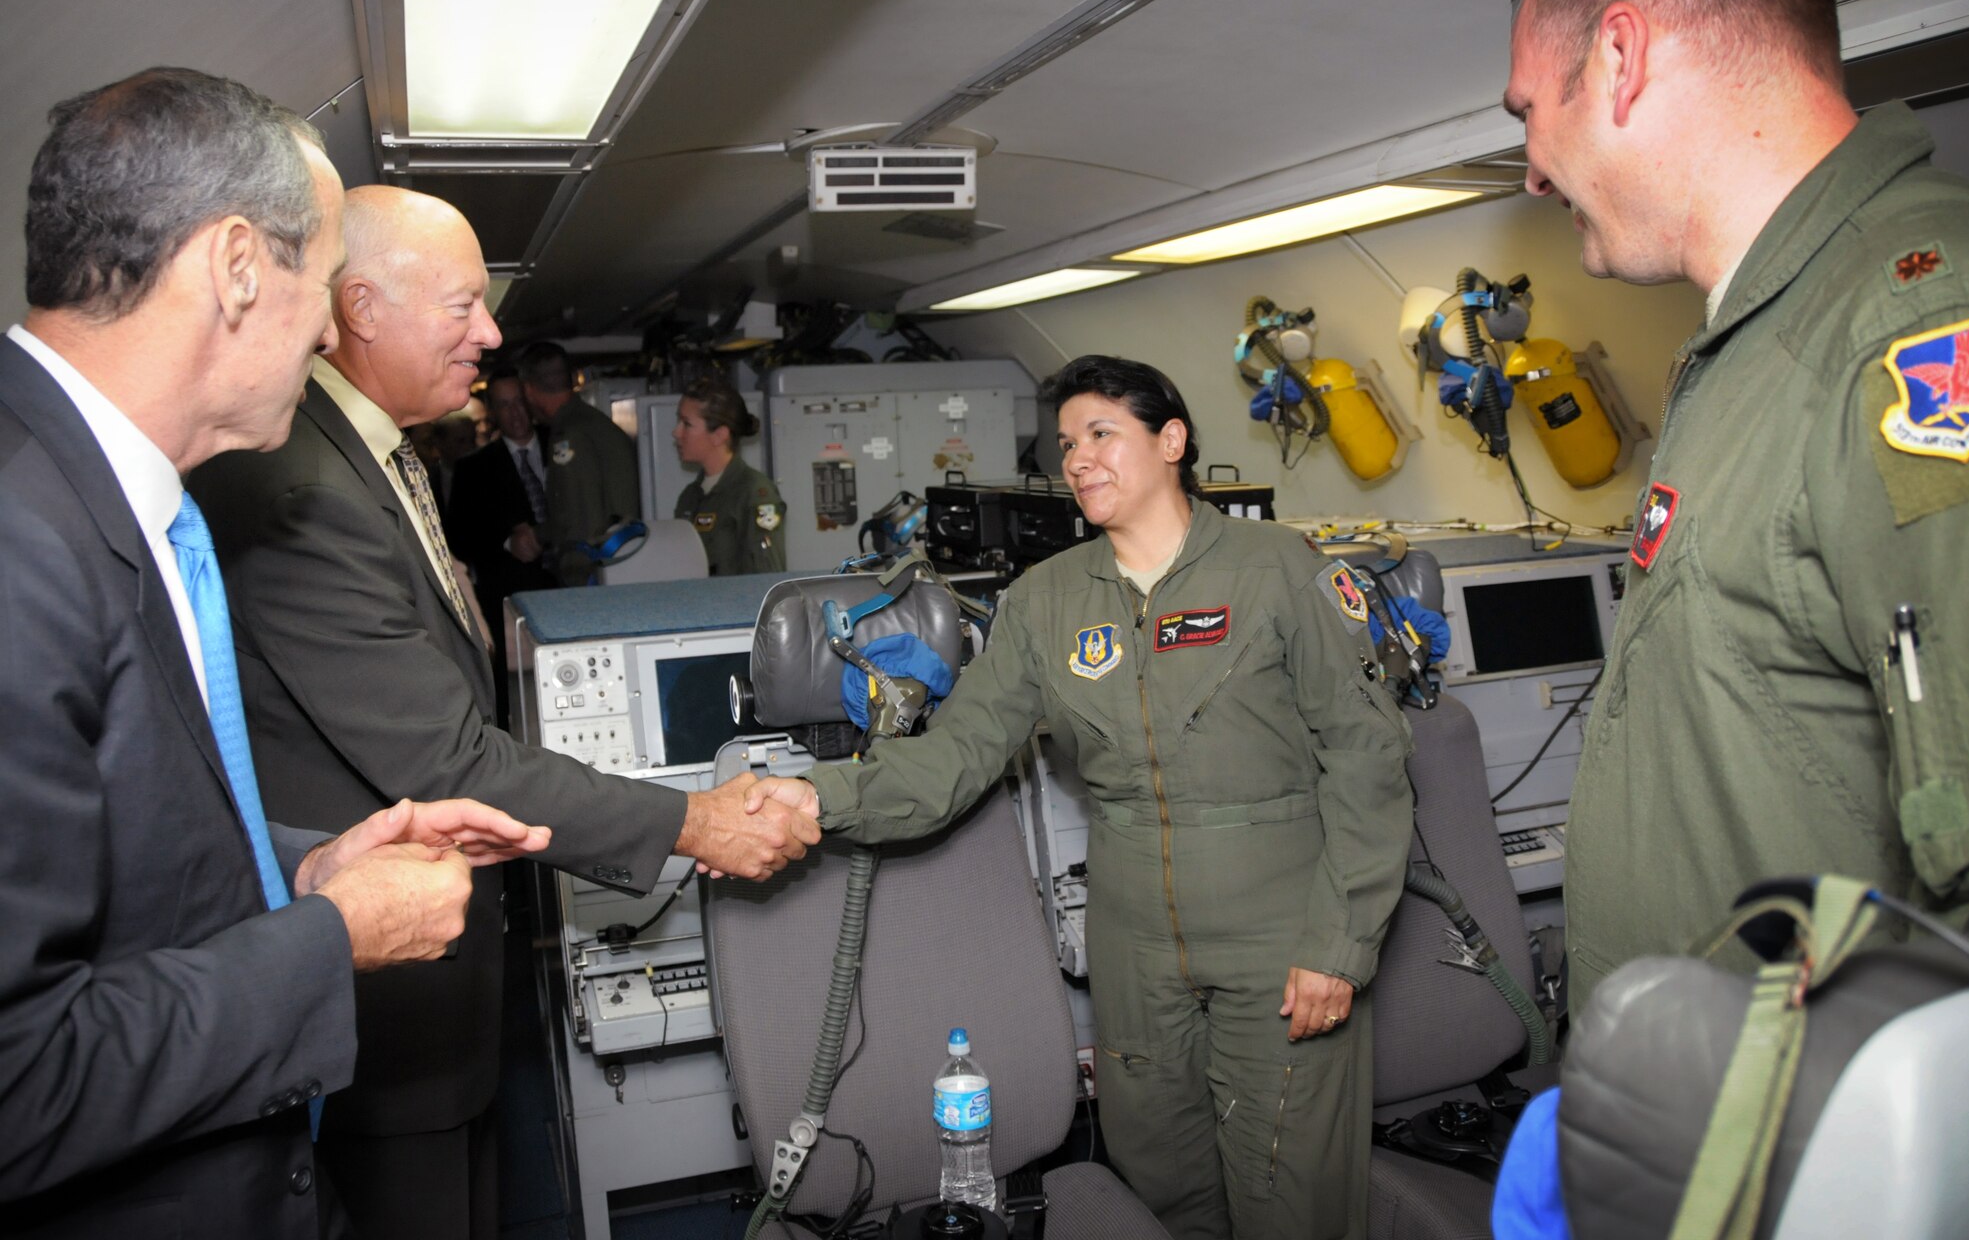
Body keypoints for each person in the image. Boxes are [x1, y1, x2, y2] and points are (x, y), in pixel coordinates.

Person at [187, 185, 821, 1240]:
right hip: (383, 1010)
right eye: (461, 305)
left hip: (438, 975)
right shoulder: (296, 487)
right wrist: (693, 820)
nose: (489, 333)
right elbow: (444, 754)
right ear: (359, 307)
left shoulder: (366, 457)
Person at [0, 68, 549, 1240]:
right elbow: (18, 1077)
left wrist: (301, 865)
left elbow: (127, 851)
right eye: (322, 274)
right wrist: (331, 936)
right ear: (239, 266)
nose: (328, 324)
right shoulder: (19, 543)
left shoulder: (112, 503)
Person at [748, 356, 1414, 1239]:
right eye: (1066, 443)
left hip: (1282, 939)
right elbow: (952, 760)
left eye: (1101, 433)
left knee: (1293, 1198)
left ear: (1171, 441)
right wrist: (811, 797)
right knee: (1164, 1192)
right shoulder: (1046, 601)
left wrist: (1342, 942)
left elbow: (1368, 758)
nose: (1077, 459)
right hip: (1135, 951)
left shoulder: (1276, 569)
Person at [1504, 0, 1969, 1011]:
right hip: (1704, 1122)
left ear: (1619, 60)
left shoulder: (1915, 325)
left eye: (1528, 111)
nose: (1531, 171)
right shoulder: (1757, 343)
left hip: (1820, 1147)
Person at [444, 370, 559, 716]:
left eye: (520, 402)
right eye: (504, 405)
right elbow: (459, 540)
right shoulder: (474, 469)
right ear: (493, 412)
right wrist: (507, 542)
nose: (515, 413)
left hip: (570, 586)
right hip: (512, 600)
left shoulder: (563, 442)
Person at [517, 341, 640, 585]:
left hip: (595, 573)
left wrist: (574, 577)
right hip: (618, 565)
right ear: (572, 379)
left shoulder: (569, 434)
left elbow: (577, 518)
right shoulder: (593, 423)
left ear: (529, 391)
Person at [671, 379, 787, 574]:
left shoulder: (755, 492)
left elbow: (767, 578)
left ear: (720, 435)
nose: (676, 432)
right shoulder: (690, 497)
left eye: (687, 424)